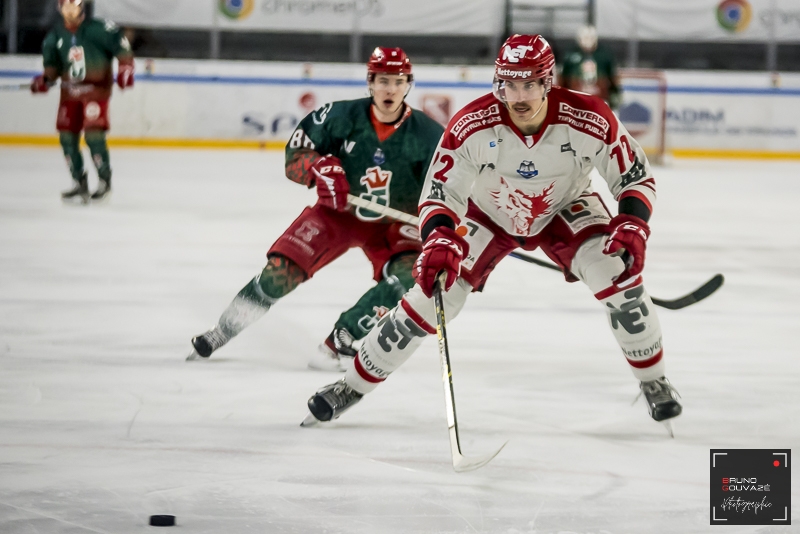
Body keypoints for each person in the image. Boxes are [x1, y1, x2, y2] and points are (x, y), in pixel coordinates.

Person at [304, 34, 682, 430]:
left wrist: (634, 222)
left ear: (547, 82)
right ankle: (351, 385)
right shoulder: (472, 125)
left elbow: (634, 177)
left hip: (566, 205)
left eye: (529, 85)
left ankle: (653, 380)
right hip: (489, 213)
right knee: (433, 298)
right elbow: (440, 193)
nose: (518, 96)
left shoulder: (589, 116)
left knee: (619, 278)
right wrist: (440, 238)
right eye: (509, 84)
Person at [188, 47, 445, 372]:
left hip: (395, 224)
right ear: (370, 82)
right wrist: (317, 168)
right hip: (337, 214)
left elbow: (446, 188)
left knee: (413, 277)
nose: (389, 89)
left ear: (408, 84)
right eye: (382, 81)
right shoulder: (337, 117)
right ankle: (223, 330)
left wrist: (447, 227)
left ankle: (340, 341)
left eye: (397, 81)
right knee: (279, 273)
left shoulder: (429, 135)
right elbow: (295, 157)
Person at [30, 0, 135, 203]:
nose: (70, 9)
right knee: (67, 138)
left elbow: (122, 49)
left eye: (74, 4)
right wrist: (43, 81)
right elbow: (52, 70)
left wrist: (125, 68)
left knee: (94, 135)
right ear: (59, 8)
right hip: (70, 95)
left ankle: (104, 181)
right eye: (66, 5)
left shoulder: (100, 29)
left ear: (81, 7)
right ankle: (79, 182)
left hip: (96, 92)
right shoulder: (54, 36)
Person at [560, 25, 621, 110]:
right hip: (576, 101)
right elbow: (564, 80)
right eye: (585, 37)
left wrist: (615, 95)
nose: (588, 40)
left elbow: (613, 79)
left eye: (590, 37)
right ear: (579, 38)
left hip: (600, 100)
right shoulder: (570, 55)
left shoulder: (605, 55)